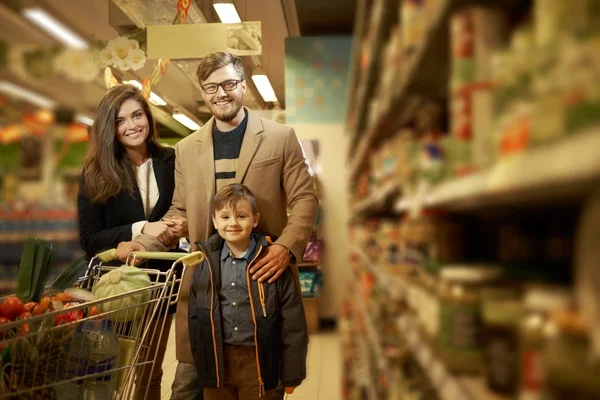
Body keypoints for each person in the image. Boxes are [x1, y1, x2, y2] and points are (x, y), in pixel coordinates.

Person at [116, 51, 318, 400]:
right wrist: (144, 245)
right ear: (204, 92)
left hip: (260, 281)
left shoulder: (279, 137)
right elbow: (178, 211)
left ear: (242, 85)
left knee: (260, 383)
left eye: (227, 83)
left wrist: (285, 247)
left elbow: (305, 198)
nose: (220, 93)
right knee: (187, 386)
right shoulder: (187, 148)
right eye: (211, 87)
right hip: (204, 287)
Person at [77, 84, 187, 400]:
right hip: (118, 287)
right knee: (113, 373)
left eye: (137, 115)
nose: (132, 125)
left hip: (163, 282)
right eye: (120, 120)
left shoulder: (173, 160)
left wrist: (184, 226)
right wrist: (141, 227)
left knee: (149, 370)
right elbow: (90, 240)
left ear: (148, 117)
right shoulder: (95, 173)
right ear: (108, 128)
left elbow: (186, 208)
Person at [190, 183, 307, 400]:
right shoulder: (205, 263)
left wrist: (292, 374)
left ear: (255, 219)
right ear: (214, 221)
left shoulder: (272, 264)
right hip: (218, 363)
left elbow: (292, 322)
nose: (233, 223)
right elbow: (195, 318)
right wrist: (202, 364)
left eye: (241, 216)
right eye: (225, 217)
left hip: (259, 362)